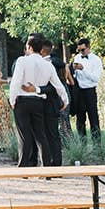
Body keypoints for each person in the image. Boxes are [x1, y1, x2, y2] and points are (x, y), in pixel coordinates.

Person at [9, 34, 68, 167]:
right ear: (41, 49)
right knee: (41, 136)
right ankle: (46, 167)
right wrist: (65, 100)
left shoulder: (22, 61)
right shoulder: (47, 64)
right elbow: (58, 85)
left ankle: (24, 167)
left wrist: (12, 99)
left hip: (22, 101)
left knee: (24, 136)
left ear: (29, 47)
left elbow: (16, 81)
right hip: (38, 102)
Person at [36, 36, 69, 165]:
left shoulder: (51, 64)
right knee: (47, 135)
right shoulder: (47, 63)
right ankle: (50, 162)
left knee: (52, 135)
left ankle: (55, 163)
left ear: (42, 51)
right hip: (43, 104)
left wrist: (38, 89)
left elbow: (54, 86)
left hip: (50, 104)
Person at [69, 38, 103, 142]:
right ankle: (82, 143)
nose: (80, 52)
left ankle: (97, 145)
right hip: (78, 91)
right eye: (79, 50)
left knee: (93, 118)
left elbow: (96, 78)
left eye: (82, 50)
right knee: (80, 119)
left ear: (88, 48)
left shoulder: (96, 60)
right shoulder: (77, 58)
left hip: (90, 91)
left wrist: (83, 69)